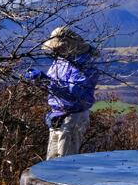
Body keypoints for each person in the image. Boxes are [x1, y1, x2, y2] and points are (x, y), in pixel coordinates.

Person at [24, 26, 100, 159]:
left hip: (72, 117)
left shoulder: (83, 65)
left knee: (65, 162)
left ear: (69, 46)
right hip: (58, 115)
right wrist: (40, 80)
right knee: (51, 160)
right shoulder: (62, 60)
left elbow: (75, 94)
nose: (56, 50)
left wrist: (46, 81)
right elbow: (55, 84)